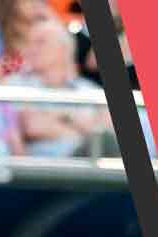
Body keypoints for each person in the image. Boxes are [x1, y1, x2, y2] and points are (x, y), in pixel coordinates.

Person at [7, 19, 114, 158]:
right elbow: (32, 126)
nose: (31, 49)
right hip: (49, 168)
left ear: (63, 49)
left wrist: (62, 118)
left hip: (91, 163)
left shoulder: (90, 90)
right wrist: (82, 130)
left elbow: (108, 133)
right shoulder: (15, 85)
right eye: (28, 43)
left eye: (40, 42)